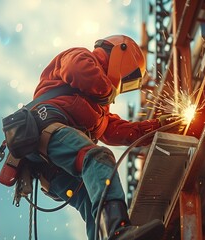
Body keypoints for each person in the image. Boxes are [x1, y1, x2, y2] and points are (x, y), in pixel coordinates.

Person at [27, 35, 177, 240]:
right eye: (129, 79)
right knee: (96, 157)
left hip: (52, 169)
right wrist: (106, 92)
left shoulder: (98, 108)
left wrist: (159, 127)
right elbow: (77, 69)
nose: (122, 86)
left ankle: (107, 235)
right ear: (121, 55)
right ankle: (118, 231)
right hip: (47, 130)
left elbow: (118, 131)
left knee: (92, 201)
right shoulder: (80, 56)